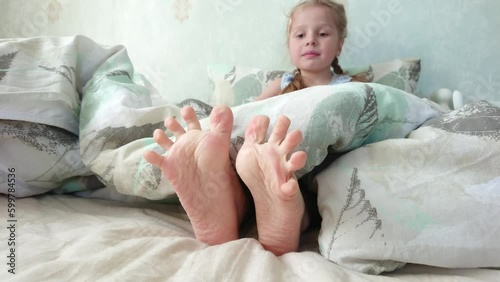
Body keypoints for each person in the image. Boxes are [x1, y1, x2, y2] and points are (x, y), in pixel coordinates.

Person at [144, 0, 357, 256]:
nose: (310, 40)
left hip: (313, 170)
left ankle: (274, 215)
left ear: (340, 45)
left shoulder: (349, 86)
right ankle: (230, 200)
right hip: (270, 162)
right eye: (300, 34)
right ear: (289, 44)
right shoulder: (282, 83)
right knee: (262, 176)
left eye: (322, 33)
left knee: (294, 192)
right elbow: (253, 114)